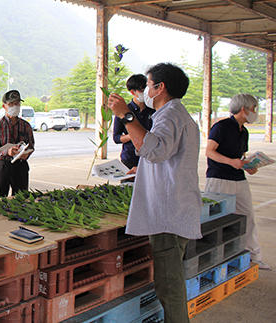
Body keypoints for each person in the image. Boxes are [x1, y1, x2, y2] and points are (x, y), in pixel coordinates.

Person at [108, 63, 201, 323]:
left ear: (160, 88)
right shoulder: (174, 115)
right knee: (169, 283)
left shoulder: (170, 116)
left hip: (169, 216)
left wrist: (126, 115)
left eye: (148, 85)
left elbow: (155, 150)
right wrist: (142, 169)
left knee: (169, 288)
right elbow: (164, 157)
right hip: (175, 208)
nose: (145, 91)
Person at [205, 93, 270, 270]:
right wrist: (231, 162)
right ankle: (214, 260)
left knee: (247, 216)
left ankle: (253, 256)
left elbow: (241, 156)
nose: (255, 113)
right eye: (254, 109)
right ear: (244, 109)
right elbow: (210, 152)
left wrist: (249, 165)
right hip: (219, 179)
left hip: (238, 179)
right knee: (217, 220)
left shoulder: (244, 131)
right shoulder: (222, 127)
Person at [0, 90, 35, 198]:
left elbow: (31, 145)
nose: (15, 107)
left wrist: (26, 154)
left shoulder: (26, 126)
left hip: (20, 166)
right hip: (1, 166)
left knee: (21, 199)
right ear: (4, 106)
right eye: (11, 104)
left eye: (17, 104)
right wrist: (7, 152)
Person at [113, 74, 155, 171]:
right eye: (141, 90)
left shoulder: (153, 110)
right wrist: (133, 135)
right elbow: (116, 138)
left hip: (149, 158)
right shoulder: (123, 110)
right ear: (132, 92)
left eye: (146, 89)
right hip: (129, 158)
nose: (145, 93)